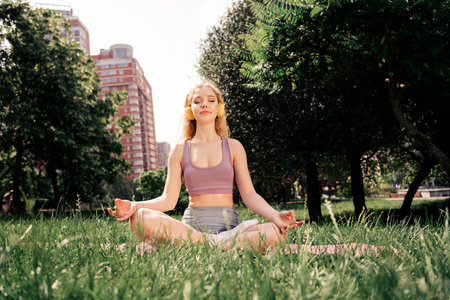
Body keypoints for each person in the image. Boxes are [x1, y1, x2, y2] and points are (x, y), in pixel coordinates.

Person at [108, 83, 303, 251]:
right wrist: (135, 206)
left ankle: (204, 247)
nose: (204, 104)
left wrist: (275, 215)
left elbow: (250, 196)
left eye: (211, 100)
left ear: (219, 107)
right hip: (191, 230)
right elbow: (168, 200)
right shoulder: (179, 150)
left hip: (231, 231)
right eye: (197, 100)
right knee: (140, 218)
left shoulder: (234, 147)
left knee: (275, 233)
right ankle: (216, 246)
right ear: (189, 109)